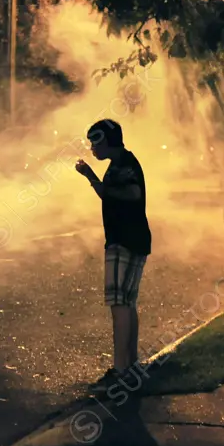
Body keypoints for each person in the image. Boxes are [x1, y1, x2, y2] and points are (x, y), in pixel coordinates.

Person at [75, 119, 151, 391]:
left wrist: (93, 178)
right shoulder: (119, 164)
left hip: (124, 241)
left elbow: (132, 193)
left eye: (96, 142)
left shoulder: (124, 165)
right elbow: (109, 196)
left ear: (108, 140)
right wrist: (91, 176)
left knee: (119, 305)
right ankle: (130, 367)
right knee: (127, 303)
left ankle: (120, 373)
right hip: (130, 240)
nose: (92, 147)